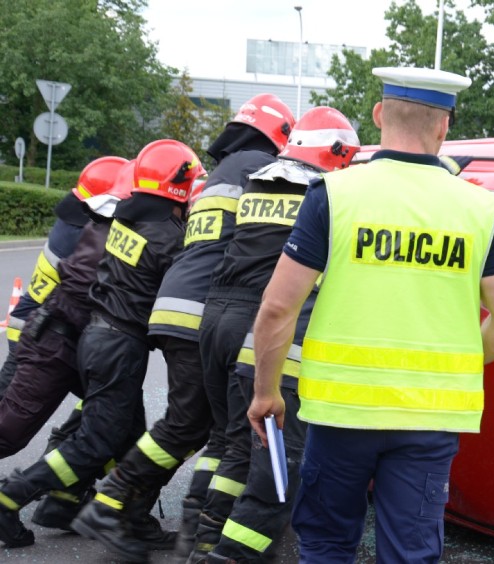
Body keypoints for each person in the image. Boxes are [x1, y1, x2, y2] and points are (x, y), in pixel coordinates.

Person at [247, 67, 494, 563]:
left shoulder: (334, 196)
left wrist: (266, 393)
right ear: (444, 127)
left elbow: (277, 308)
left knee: (327, 544)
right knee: (410, 553)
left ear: (379, 115)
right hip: (429, 417)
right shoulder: (481, 210)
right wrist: (455, 364)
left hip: (340, 413)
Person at [70, 94, 296, 563]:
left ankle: (194, 525)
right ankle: (113, 503)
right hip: (206, 308)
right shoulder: (263, 167)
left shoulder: (221, 173)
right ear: (280, 137)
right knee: (192, 425)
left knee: (210, 429)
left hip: (180, 305)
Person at [0, 139, 205, 554]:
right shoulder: (168, 237)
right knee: (94, 440)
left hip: (96, 337)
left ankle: (117, 515)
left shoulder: (123, 220)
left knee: (125, 435)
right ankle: (11, 496)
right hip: (116, 345)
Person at [194, 106, 360, 564]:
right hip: (279, 345)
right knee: (277, 479)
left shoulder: (258, 184)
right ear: (338, 153)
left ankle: (203, 532)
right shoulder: (323, 196)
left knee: (236, 450)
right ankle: (226, 554)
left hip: (232, 333)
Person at [0, 156, 131, 459]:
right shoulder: (85, 234)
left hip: (38, 328)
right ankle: (61, 456)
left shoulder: (73, 222)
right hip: (43, 335)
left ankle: (66, 465)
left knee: (109, 407)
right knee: (10, 427)